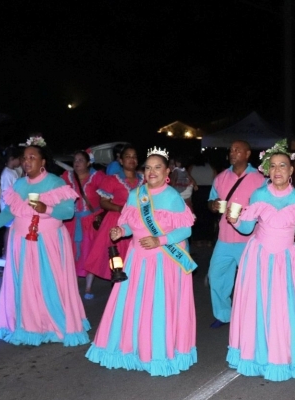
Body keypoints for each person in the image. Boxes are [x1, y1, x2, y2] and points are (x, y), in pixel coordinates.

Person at [225, 140, 295, 382]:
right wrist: (234, 219)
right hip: (259, 256)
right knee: (259, 304)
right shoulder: (259, 194)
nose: (277, 170)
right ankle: (258, 353)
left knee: (287, 307)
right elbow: (246, 228)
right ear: (267, 170)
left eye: (282, 165)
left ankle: (285, 351)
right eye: (272, 166)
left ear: (291, 170)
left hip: (286, 258)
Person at [86, 147, 197, 375]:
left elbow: (186, 230)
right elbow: (128, 224)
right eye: (148, 168)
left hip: (163, 260)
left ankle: (156, 353)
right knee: (134, 305)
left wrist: (160, 240)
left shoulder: (172, 196)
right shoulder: (136, 195)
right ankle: (131, 348)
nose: (152, 171)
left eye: (157, 167)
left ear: (167, 171)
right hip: (137, 259)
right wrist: (120, 231)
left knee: (157, 306)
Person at [0, 136, 91, 347]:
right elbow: (10, 212)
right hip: (21, 242)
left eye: (32, 157)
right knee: (25, 285)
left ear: (43, 162)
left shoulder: (55, 183)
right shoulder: (19, 185)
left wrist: (46, 209)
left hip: (48, 242)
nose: (27, 161)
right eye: (24, 158)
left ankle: (53, 323)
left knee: (49, 284)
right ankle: (29, 325)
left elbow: (68, 212)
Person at [206, 140, 266, 328]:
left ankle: (255, 317)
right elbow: (210, 201)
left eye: (237, 150)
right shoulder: (221, 178)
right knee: (216, 276)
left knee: (252, 281)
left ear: (247, 154)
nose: (233, 152)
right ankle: (224, 315)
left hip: (249, 238)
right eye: (231, 149)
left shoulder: (260, 178)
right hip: (224, 238)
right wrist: (213, 205)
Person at [85, 145, 143, 281]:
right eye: (128, 156)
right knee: (117, 256)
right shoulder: (112, 179)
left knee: (137, 256)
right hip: (117, 220)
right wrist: (119, 208)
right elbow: (103, 202)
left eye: (134, 157)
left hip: (139, 221)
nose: (131, 159)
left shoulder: (144, 180)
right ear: (121, 161)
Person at [63, 150, 105, 299]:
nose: (77, 163)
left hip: (90, 223)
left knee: (89, 254)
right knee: (69, 254)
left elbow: (108, 194)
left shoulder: (97, 177)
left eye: (81, 160)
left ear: (88, 163)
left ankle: (88, 287)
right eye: (75, 160)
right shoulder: (67, 177)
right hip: (71, 222)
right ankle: (71, 287)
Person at [0, 146, 22, 258]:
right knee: (9, 229)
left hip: (12, 205)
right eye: (19, 158)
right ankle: (6, 254)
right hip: (8, 206)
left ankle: (10, 253)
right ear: (12, 158)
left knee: (11, 229)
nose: (20, 161)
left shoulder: (12, 172)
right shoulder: (7, 173)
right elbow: (6, 192)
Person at [188, 153, 216, 244]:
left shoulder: (192, 167)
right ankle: (209, 240)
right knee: (209, 216)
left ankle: (198, 240)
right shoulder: (211, 167)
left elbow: (187, 179)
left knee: (198, 215)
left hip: (197, 192)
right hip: (208, 191)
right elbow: (216, 179)